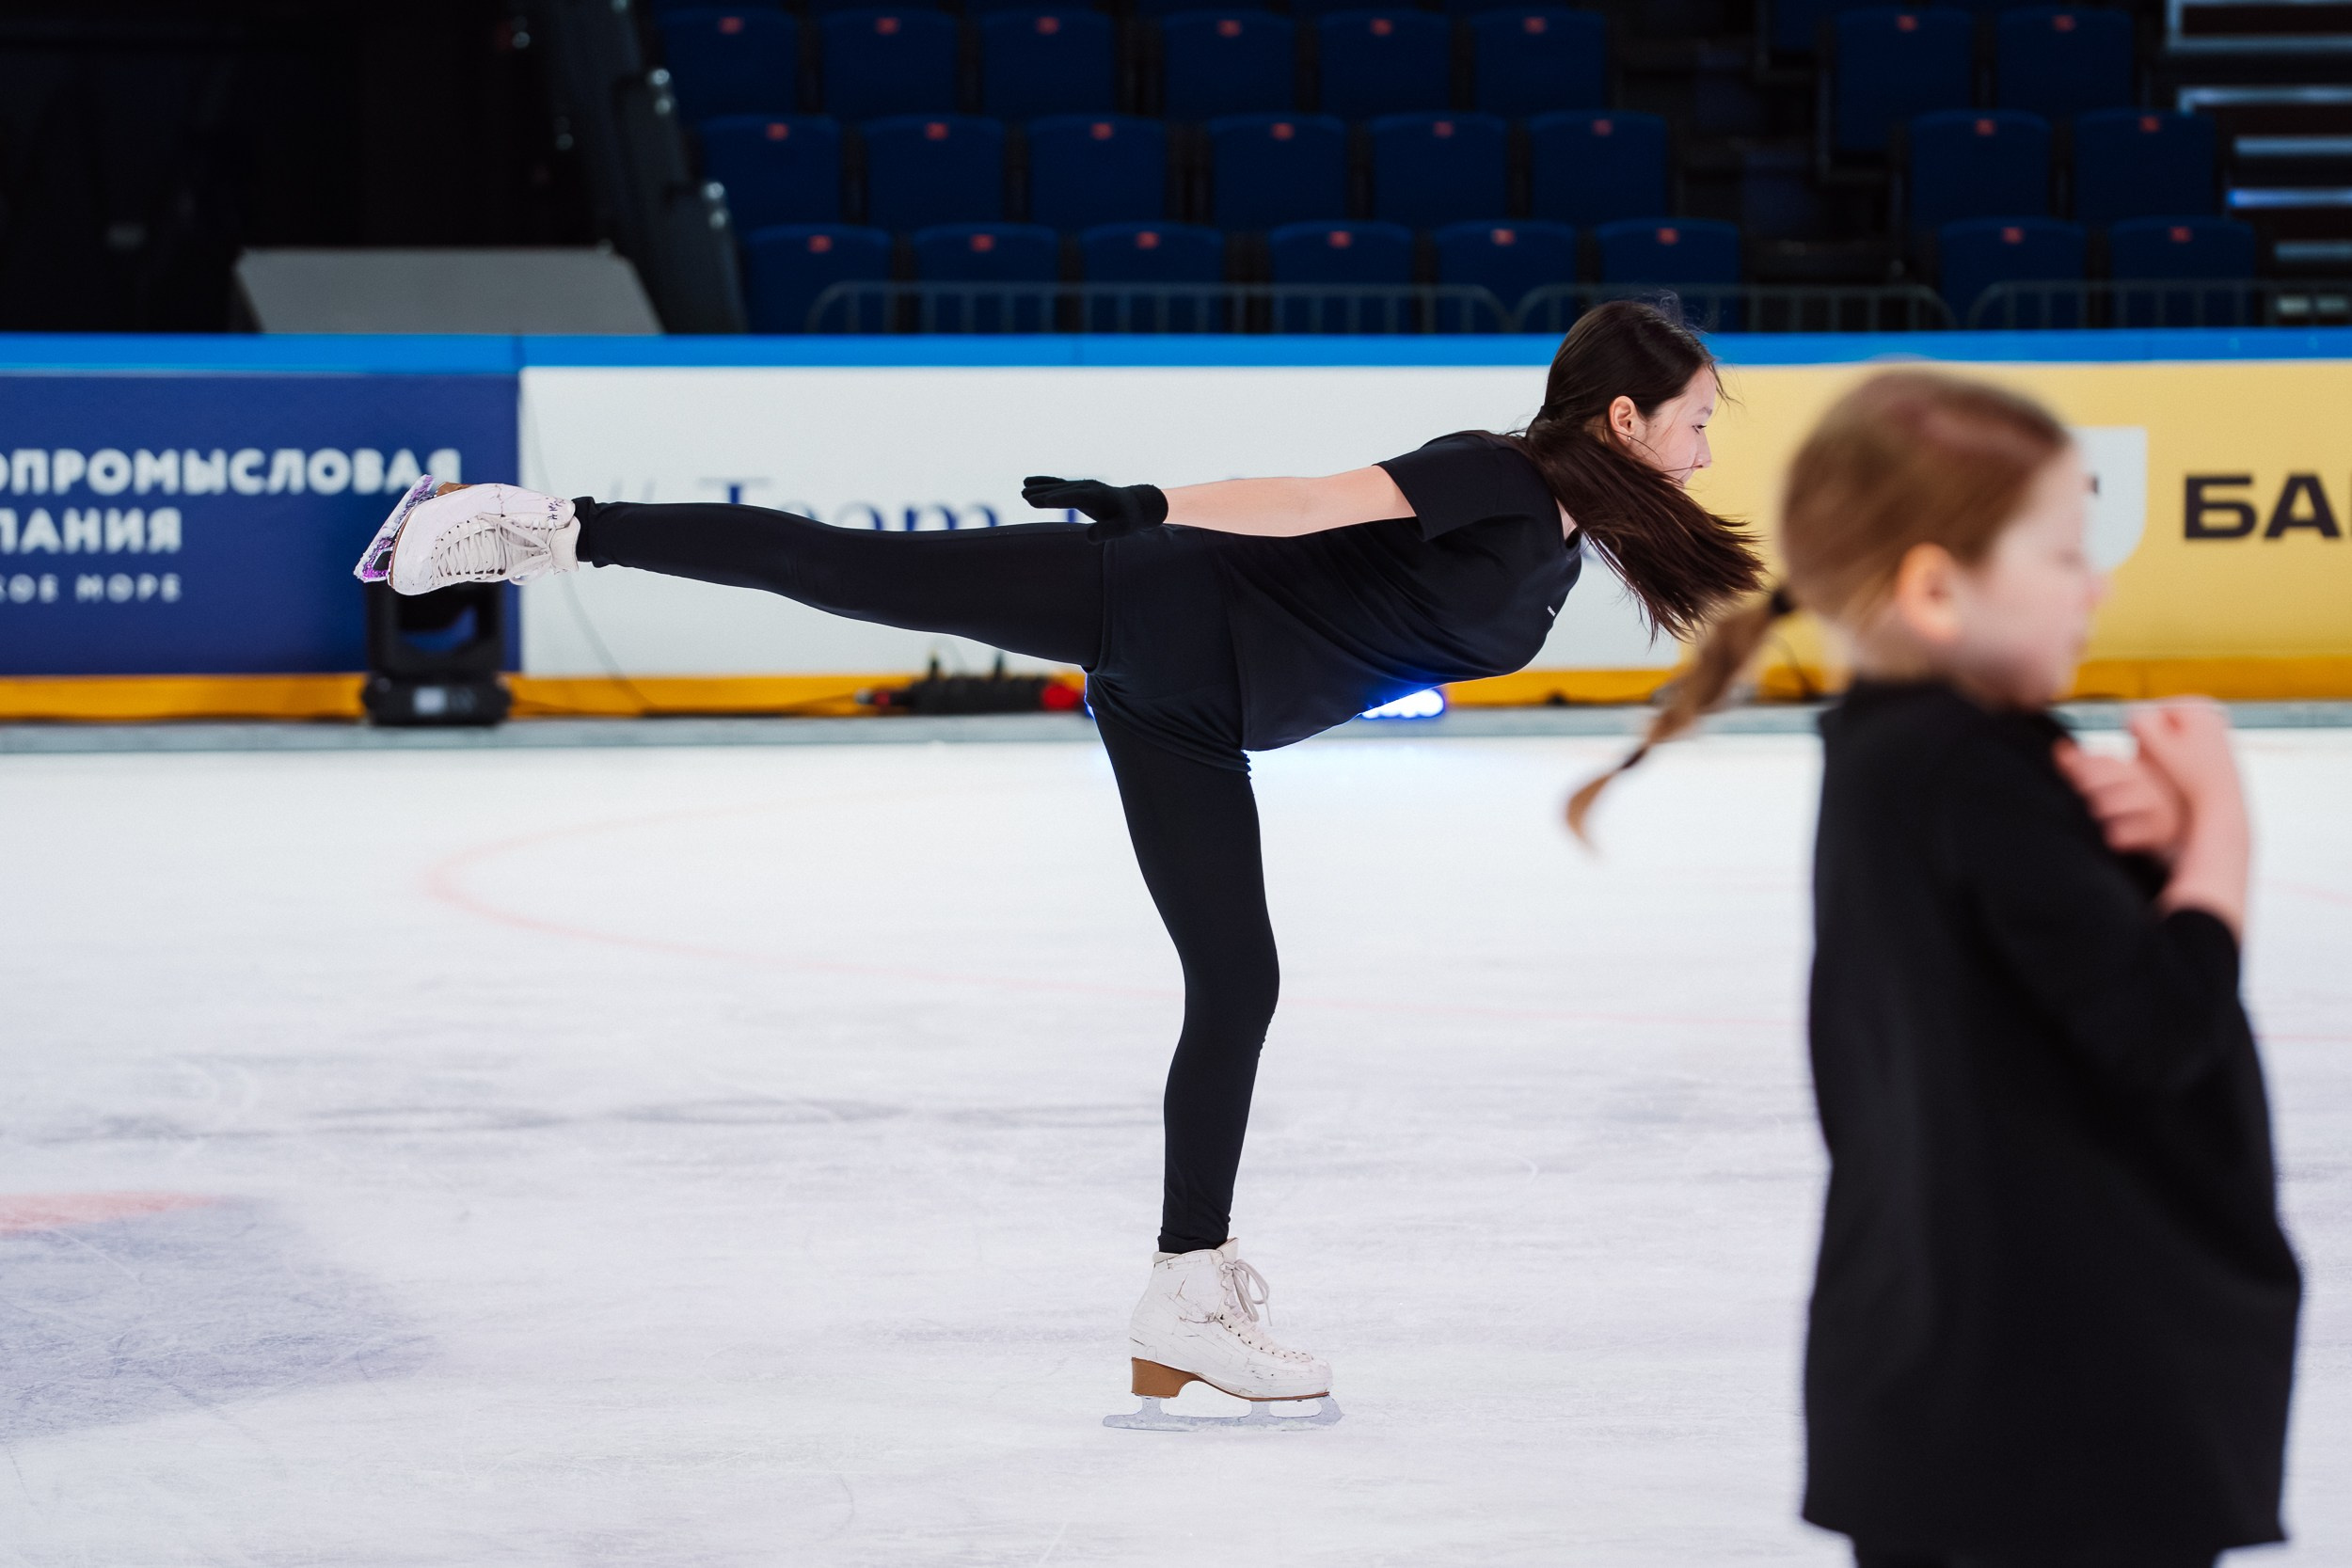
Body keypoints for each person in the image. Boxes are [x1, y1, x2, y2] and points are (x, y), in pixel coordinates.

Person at [363, 300, 1764, 1424]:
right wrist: (1152, 503)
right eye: (1695, 422)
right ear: (1624, 412)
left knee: (1240, 979)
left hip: (1188, 712)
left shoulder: (1567, 547)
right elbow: (1309, 498)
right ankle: (536, 526)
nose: (1703, 451)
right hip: (1153, 599)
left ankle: (1185, 1291)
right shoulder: (1498, 476)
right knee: (849, 570)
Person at [1574, 371, 2300, 1565]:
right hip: (2053, 1409)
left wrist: (2142, 860)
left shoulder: (1900, 757)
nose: (2098, 584)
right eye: (2066, 553)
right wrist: (2219, 834)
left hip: (1952, 1389)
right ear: (1935, 587)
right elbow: (2160, 1025)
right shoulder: (1973, 777)